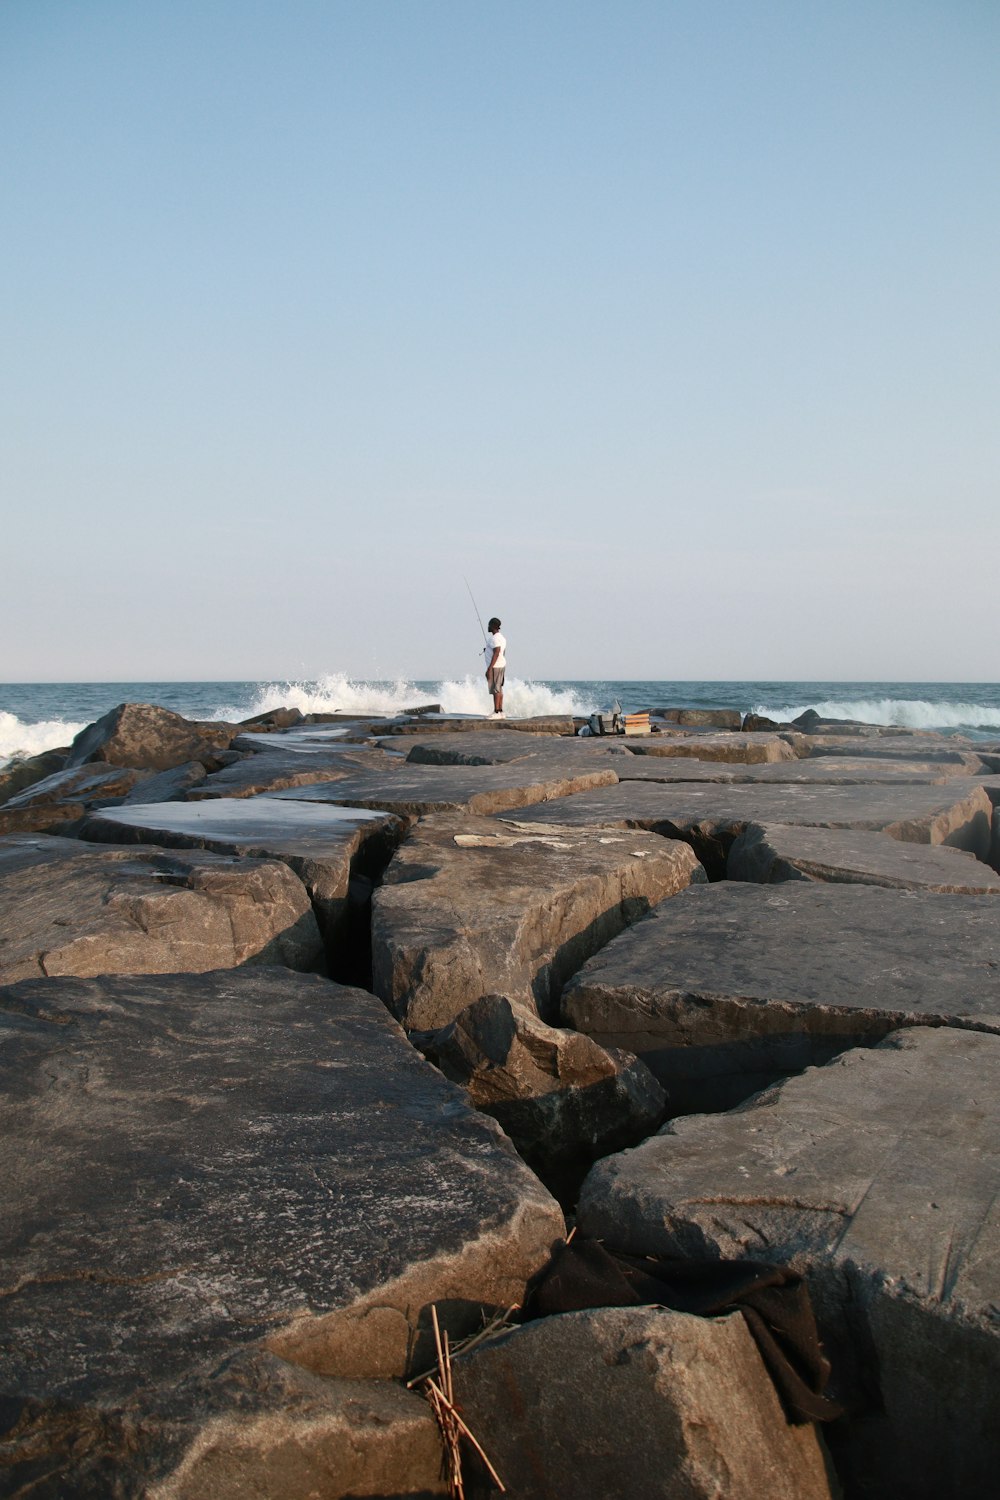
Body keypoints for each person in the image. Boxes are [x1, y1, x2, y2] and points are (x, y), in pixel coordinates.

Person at [483, 616, 506, 716]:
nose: (488, 626)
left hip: (495, 666)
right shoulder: (502, 638)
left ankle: (496, 712)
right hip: (501, 664)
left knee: (496, 689)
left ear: (493, 626)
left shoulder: (494, 638)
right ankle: (500, 711)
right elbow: (500, 652)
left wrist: (490, 668)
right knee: (499, 688)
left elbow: (497, 652)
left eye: (489, 625)